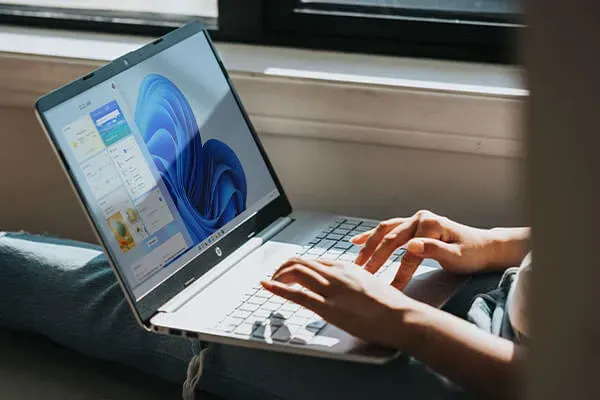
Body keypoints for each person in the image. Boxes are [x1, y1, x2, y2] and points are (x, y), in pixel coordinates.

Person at [0, 210, 530, 399]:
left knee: (144, 308)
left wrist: (401, 321)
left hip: (478, 370)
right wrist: (497, 244)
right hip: (495, 291)